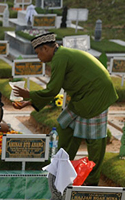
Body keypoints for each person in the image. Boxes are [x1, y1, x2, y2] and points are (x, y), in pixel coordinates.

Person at [11, 33, 119, 186]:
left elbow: (53, 89)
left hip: (97, 94)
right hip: (83, 95)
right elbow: (53, 89)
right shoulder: (61, 55)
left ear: (46, 48)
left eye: (38, 53)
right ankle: (61, 168)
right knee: (66, 125)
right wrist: (29, 102)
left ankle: (92, 179)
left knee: (95, 139)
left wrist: (28, 95)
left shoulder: (60, 58)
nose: (38, 57)